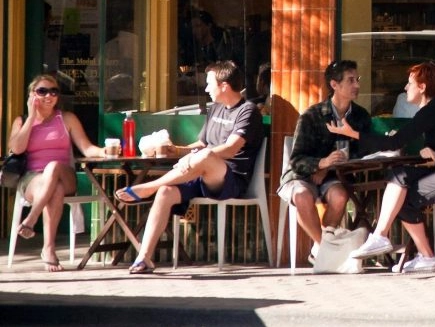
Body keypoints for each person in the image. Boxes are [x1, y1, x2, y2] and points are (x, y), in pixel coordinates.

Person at [114, 60, 264, 275]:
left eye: (209, 83)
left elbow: (231, 149)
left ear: (224, 85)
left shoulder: (247, 111)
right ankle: (144, 257)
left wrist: (200, 156)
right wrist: (177, 150)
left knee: (203, 157)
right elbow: (200, 144)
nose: (205, 88)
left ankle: (149, 187)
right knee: (166, 192)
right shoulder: (216, 109)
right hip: (199, 174)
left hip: (230, 179)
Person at [335, 61, 435, 273]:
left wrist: (353, 134)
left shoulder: (433, 110)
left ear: (422, 87)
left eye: (409, 83)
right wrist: (430, 147)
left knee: (403, 186)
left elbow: (395, 143)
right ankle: (424, 256)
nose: (405, 87)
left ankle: (381, 236)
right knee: (402, 187)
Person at [7, 74, 104, 271]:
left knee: (53, 168)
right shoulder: (22, 121)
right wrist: (32, 116)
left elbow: (86, 149)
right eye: (42, 91)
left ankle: (31, 218)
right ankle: (48, 248)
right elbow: (16, 149)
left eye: (54, 91)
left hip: (64, 173)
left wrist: (105, 151)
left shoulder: (66, 118)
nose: (48, 96)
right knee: (55, 189)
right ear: (31, 95)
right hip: (33, 178)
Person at [277, 60, 372, 259]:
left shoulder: (361, 116)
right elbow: (296, 160)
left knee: (339, 196)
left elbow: (364, 153)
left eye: (357, 80)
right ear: (334, 85)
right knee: (302, 195)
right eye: (351, 80)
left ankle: (321, 248)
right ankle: (324, 246)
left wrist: (330, 168)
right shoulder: (312, 116)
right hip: (302, 175)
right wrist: (320, 164)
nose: (357, 85)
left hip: (336, 175)